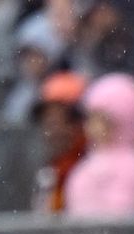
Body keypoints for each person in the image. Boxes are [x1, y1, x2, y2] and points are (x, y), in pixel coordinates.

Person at [66, 73, 134, 215]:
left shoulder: (132, 166)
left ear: (122, 120)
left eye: (100, 120)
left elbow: (120, 214)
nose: (91, 127)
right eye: (91, 118)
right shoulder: (90, 159)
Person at [32, 71, 90, 213]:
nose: (51, 131)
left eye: (58, 121)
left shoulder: (92, 167)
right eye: (46, 122)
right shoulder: (49, 169)